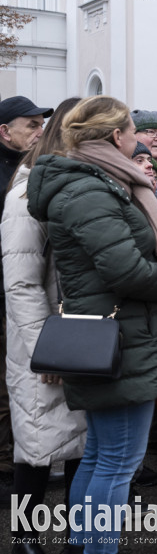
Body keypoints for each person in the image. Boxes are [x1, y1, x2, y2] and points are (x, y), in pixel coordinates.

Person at [26, 95, 157, 554]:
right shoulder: (89, 188)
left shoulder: (95, 181)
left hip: (121, 334)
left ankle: (85, 547)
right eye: (134, 132)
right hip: (117, 337)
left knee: (100, 456)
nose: (140, 141)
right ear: (116, 136)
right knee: (117, 462)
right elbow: (125, 271)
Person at [3, 97, 86, 551]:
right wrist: (45, 349)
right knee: (37, 446)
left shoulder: (75, 184)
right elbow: (21, 282)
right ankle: (24, 538)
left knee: (79, 442)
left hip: (77, 332)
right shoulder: (26, 191)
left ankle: (78, 534)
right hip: (46, 337)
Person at [0, 95, 53, 501]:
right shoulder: (17, 184)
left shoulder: (36, 172)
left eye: (42, 124)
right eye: (31, 125)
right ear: (5, 131)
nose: (40, 132)